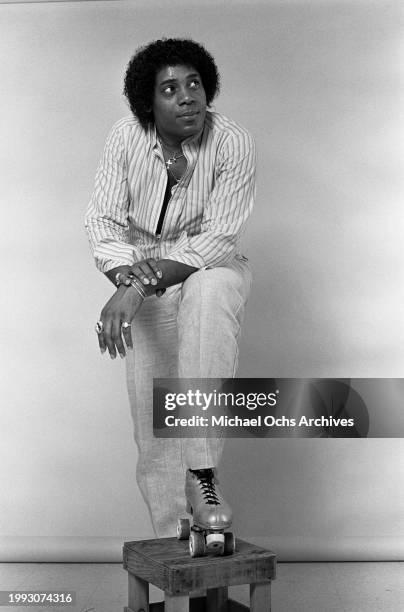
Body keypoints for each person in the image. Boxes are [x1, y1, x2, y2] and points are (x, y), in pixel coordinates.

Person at [85, 38, 256, 547]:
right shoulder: (124, 137)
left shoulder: (233, 141)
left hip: (211, 267)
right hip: (142, 279)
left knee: (208, 292)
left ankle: (203, 471)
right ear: (148, 103)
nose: (187, 97)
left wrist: (137, 284)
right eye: (170, 89)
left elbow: (219, 235)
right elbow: (103, 222)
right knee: (155, 429)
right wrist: (126, 278)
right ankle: (176, 554)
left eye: (195, 83)